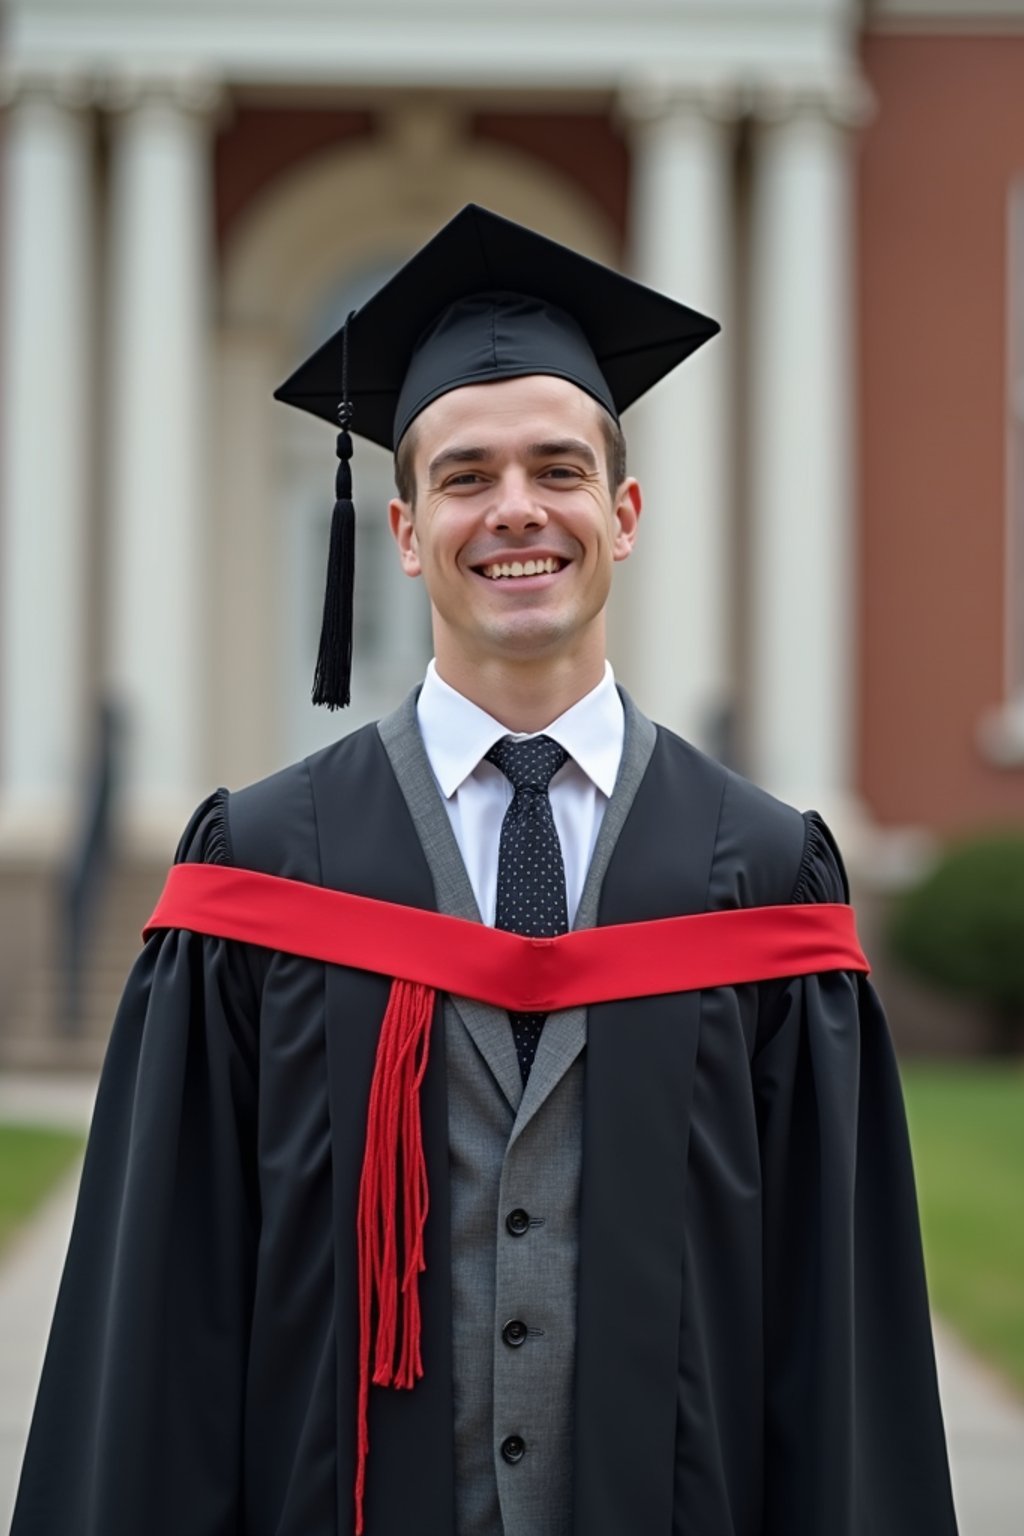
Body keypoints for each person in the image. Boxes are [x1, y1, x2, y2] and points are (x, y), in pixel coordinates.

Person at [12, 205, 958, 1536]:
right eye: (465, 477)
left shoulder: (761, 873)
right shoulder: (267, 873)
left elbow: (835, 1341)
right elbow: (161, 1326)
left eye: (558, 470)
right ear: (403, 531)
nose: (517, 510)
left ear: (622, 514)